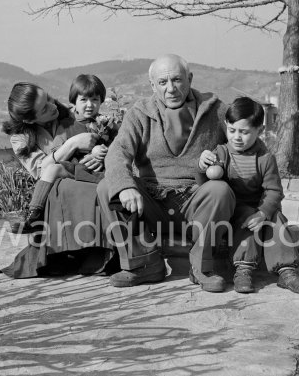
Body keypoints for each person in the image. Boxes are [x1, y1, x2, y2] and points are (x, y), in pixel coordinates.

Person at [97, 54, 236, 291]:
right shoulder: (139, 113)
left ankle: (201, 267)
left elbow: (244, 146)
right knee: (108, 187)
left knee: (220, 190)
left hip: (196, 203)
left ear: (189, 79)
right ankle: (143, 264)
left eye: (177, 80)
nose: (171, 89)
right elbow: (117, 151)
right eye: (162, 82)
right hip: (151, 204)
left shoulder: (215, 110)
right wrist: (126, 186)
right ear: (153, 85)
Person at [198, 97, 299, 295]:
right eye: (232, 130)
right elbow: (206, 186)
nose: (236, 137)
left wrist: (264, 213)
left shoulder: (265, 158)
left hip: (261, 208)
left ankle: (287, 272)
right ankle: (243, 269)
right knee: (246, 219)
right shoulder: (222, 153)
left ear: (259, 130)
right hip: (235, 211)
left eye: (244, 132)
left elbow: (275, 191)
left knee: (277, 220)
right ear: (226, 126)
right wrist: (202, 166)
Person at [1, 82, 115, 277]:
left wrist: (97, 151)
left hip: (84, 175)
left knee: (80, 190)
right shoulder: (20, 138)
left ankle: (96, 251)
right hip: (58, 183)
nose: (53, 106)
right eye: (45, 108)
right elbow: (40, 171)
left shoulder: (73, 116)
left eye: (49, 98)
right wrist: (72, 144)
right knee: (61, 188)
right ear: (30, 120)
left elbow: (103, 138)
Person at [21, 74, 118, 231]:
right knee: (53, 168)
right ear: (74, 102)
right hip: (76, 169)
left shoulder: (108, 125)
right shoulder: (66, 126)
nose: (89, 105)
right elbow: (58, 151)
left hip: (99, 172)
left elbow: (120, 148)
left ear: (101, 101)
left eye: (95, 100)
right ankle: (34, 213)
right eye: (83, 100)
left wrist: (104, 152)